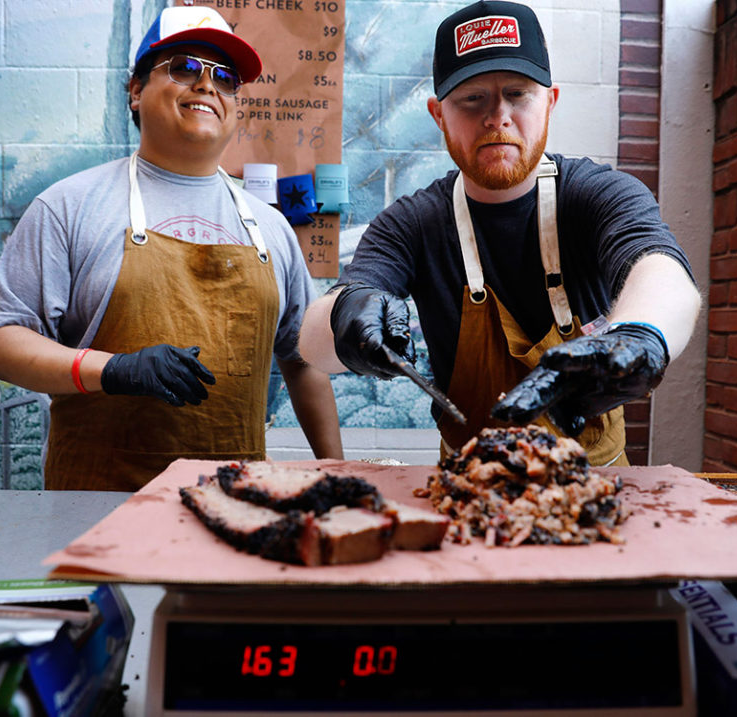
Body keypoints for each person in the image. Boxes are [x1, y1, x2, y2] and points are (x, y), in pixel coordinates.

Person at [299, 0, 700, 466]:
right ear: (438, 115)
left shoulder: (598, 195)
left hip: (600, 483)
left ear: (550, 103)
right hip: (466, 485)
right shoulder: (411, 224)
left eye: (517, 94)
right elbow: (312, 346)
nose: (497, 117)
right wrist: (346, 312)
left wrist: (640, 335)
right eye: (472, 98)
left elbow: (663, 274)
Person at [0, 6, 342, 491]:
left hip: (234, 505)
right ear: (135, 90)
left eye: (225, 78)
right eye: (185, 67)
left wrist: (339, 474)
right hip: (94, 509)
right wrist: (113, 370)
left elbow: (304, 362)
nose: (207, 85)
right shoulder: (68, 206)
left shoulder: (270, 228)